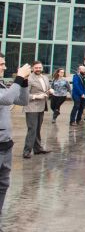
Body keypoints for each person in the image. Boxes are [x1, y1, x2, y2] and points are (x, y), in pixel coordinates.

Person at [0, 55, 31, 220]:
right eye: (1, 64)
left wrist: (24, 81)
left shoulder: (2, 85)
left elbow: (22, 100)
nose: (4, 67)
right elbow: (6, 99)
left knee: (3, 185)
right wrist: (19, 77)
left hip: (5, 145)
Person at [23, 61, 51, 158]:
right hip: (31, 107)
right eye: (36, 68)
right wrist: (35, 96)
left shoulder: (45, 78)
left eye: (40, 67)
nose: (38, 69)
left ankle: (38, 149)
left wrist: (49, 91)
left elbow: (45, 90)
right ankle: (26, 151)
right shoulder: (29, 79)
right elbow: (24, 95)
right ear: (32, 68)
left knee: (37, 129)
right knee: (32, 130)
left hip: (41, 107)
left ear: (42, 68)